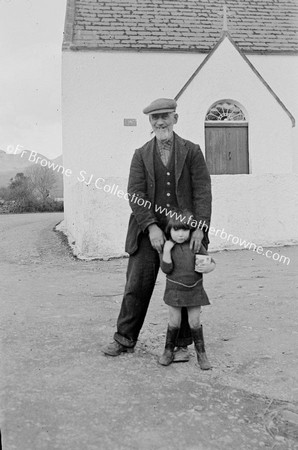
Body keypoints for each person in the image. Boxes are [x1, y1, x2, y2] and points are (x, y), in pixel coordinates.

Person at [102, 98, 212, 360]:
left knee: (185, 284)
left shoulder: (193, 151)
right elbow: (135, 193)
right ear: (150, 122)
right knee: (136, 283)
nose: (160, 122)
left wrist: (199, 229)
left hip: (184, 231)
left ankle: (182, 344)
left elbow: (203, 192)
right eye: (155, 118)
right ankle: (124, 338)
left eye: (165, 116)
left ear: (175, 118)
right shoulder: (140, 154)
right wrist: (151, 227)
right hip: (146, 231)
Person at [158, 209, 215, 369]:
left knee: (194, 322)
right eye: (177, 229)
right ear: (169, 230)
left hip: (194, 290)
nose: (181, 234)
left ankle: (201, 355)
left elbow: (210, 261)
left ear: (191, 231)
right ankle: (168, 351)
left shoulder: (195, 245)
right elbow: (166, 269)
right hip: (174, 291)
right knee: (174, 321)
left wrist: (209, 266)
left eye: (185, 229)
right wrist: (167, 251)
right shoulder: (167, 247)